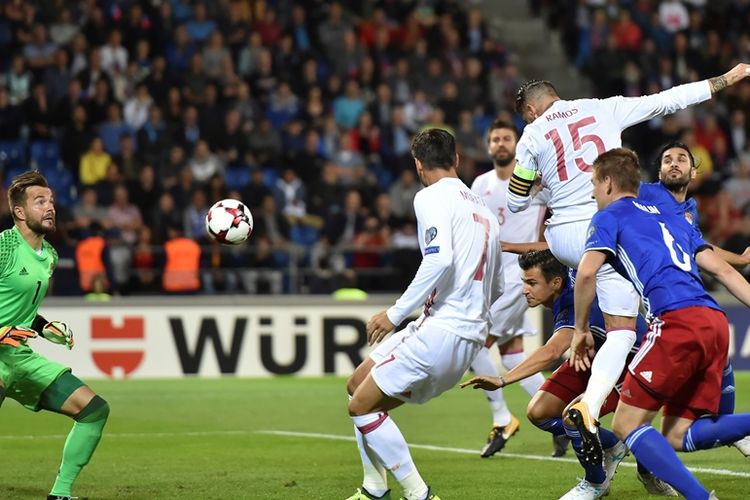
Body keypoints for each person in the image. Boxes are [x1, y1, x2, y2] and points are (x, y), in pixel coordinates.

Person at [507, 63, 750, 444]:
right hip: (603, 225)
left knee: (613, 311)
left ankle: (604, 392)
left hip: (562, 237)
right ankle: (593, 403)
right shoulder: (603, 108)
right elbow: (666, 100)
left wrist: (543, 188)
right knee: (629, 324)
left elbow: (516, 202)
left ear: (533, 110)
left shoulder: (533, 134)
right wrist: (724, 80)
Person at [576, 148, 750, 498]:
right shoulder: (675, 218)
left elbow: (586, 273)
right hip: (715, 320)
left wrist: (580, 329)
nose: (593, 192)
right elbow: (724, 270)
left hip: (675, 321)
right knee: (678, 434)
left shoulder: (610, 215)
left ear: (608, 182)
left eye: (594, 184)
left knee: (626, 424)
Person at [345, 128, 503, 500]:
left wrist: (395, 313)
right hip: (462, 332)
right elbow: (495, 285)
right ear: (457, 160)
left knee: (361, 408)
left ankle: (418, 494)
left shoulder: (430, 197)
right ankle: (374, 487)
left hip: (443, 330)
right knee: (357, 385)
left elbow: (440, 258)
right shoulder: (484, 209)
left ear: (418, 164)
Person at [461, 250, 677, 499]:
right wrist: (510, 244)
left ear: (555, 282)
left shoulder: (574, 300)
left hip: (632, 362)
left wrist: (502, 380)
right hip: (593, 352)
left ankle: (596, 483)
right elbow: (550, 245)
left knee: (575, 418)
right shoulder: (568, 271)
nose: (524, 290)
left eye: (531, 283)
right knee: (538, 412)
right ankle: (612, 444)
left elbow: (552, 350)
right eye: (524, 282)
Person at [0, 171, 110, 500]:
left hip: (19, 355)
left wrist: (45, 327)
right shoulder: (4, 246)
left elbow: (23, 312)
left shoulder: (50, 256)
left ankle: (60, 494)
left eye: (51, 201)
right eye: (40, 201)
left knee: (94, 410)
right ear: (19, 211)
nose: (50, 207)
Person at [468, 119, 559, 457]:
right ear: (488, 146)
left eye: (507, 138)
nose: (501, 144)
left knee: (473, 339)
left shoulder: (535, 184)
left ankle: (502, 417)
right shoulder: (480, 183)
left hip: (521, 277)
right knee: (514, 355)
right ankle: (558, 414)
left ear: (517, 144)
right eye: (495, 139)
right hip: (490, 278)